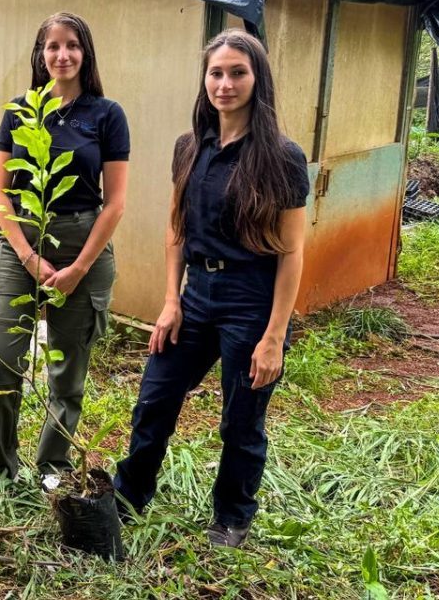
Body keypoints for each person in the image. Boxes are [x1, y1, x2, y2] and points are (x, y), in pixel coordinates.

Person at [113, 30, 309, 549]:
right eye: (216, 73)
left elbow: (292, 252)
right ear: (205, 80)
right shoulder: (190, 147)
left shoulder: (283, 158)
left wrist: (273, 336)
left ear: (256, 80)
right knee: (155, 398)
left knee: (241, 419)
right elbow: (176, 228)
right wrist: (171, 300)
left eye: (237, 73)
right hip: (196, 294)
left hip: (252, 300)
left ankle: (232, 516)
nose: (225, 84)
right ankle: (128, 494)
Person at [0, 12, 129, 492]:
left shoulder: (106, 114)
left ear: (85, 53)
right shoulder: (20, 112)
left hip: (83, 242)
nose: (62, 55)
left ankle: (53, 467)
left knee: (67, 370)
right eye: (52, 46)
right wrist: (24, 255)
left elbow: (116, 201)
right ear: (40, 56)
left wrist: (78, 267)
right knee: (1, 361)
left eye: (72, 45)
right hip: (21, 241)